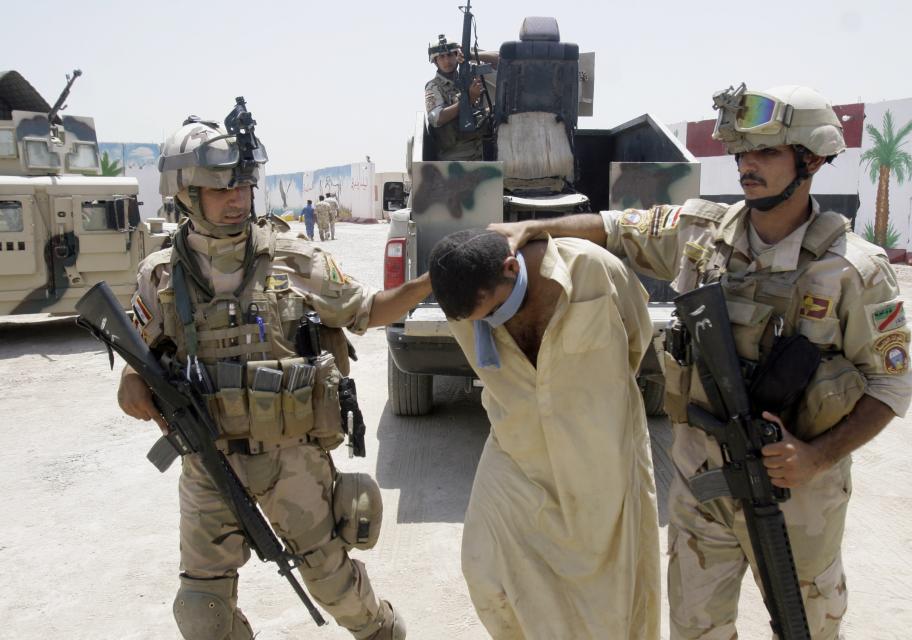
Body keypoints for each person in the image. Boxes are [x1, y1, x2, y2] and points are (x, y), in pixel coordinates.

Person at [489, 84, 912, 639]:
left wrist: (815, 456)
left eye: (765, 153)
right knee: (695, 629)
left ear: (809, 160)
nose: (747, 166)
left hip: (796, 494)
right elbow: (616, 228)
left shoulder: (853, 270)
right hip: (702, 483)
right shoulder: (700, 234)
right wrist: (535, 229)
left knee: (806, 626)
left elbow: (891, 387)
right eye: (742, 154)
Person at [118, 108, 431, 640]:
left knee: (338, 591)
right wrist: (132, 384)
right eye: (222, 190)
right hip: (208, 462)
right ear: (186, 194)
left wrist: (432, 282)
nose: (238, 198)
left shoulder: (293, 258)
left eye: (244, 185)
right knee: (201, 611)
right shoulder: (161, 276)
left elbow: (367, 310)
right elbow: (137, 361)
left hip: (292, 460)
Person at [428, 229, 660, 639]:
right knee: (485, 568)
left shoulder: (592, 270)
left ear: (511, 268)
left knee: (611, 601)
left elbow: (636, 341)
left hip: (601, 453)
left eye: (495, 309)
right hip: (516, 451)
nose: (490, 324)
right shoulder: (468, 304)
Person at [424, 34, 498, 161]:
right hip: (454, 158)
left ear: (456, 56)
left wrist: (471, 55)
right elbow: (436, 118)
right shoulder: (433, 86)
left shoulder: (468, 76)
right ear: (435, 61)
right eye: (441, 57)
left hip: (482, 153)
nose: (447, 61)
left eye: (450, 55)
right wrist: (467, 99)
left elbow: (501, 60)